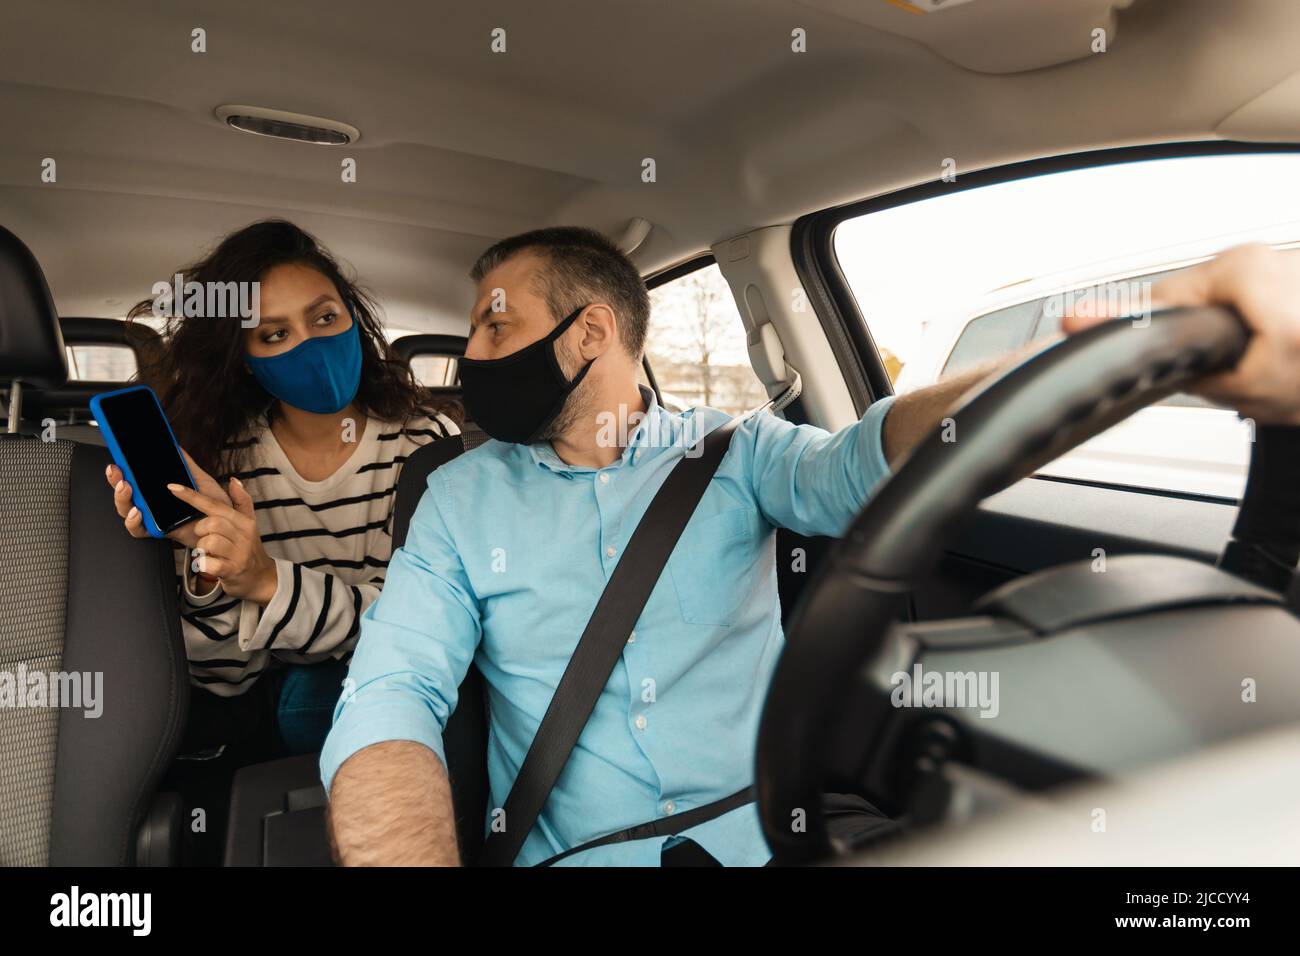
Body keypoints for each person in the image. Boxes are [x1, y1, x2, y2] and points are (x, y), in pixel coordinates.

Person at [322, 230, 1300, 866]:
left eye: (496, 325)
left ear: (590, 335)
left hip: (773, 838)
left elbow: (871, 458)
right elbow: (391, 693)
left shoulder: (735, 453)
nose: (471, 357)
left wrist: (1110, 350)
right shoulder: (453, 500)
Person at [106, 219, 458, 759]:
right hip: (262, 712)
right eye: (274, 334)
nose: (310, 345)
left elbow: (418, 626)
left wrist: (267, 582)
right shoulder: (218, 460)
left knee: (310, 698)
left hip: (391, 685)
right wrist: (212, 564)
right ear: (244, 361)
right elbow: (221, 678)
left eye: (323, 317)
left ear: (353, 321)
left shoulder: (424, 441)